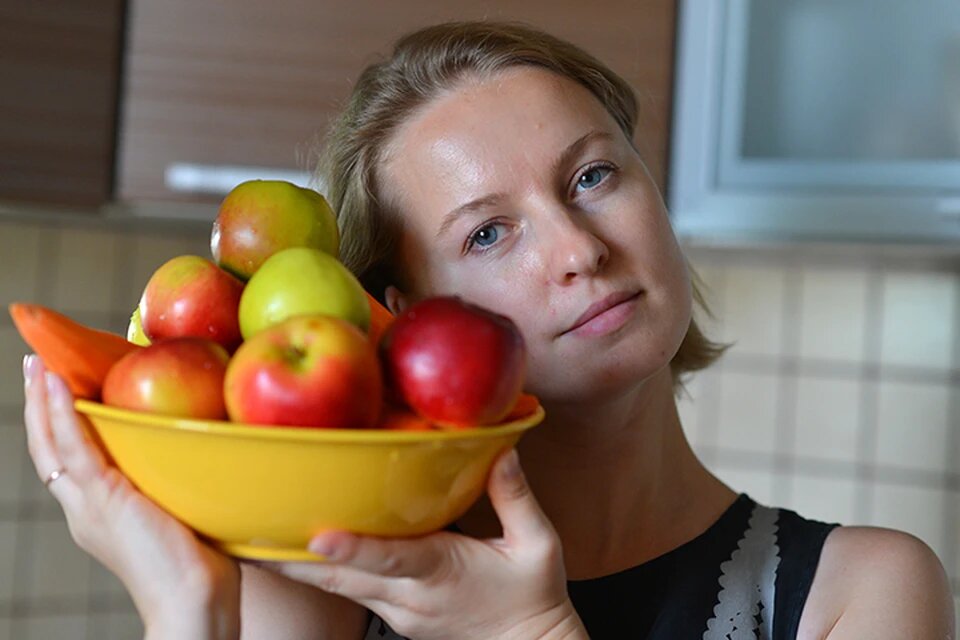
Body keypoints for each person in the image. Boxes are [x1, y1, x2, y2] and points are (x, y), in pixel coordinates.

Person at [22, 21, 954, 640]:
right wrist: (184, 610)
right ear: (401, 316)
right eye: (487, 232)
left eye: (591, 177)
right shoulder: (329, 591)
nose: (577, 250)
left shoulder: (860, 593)